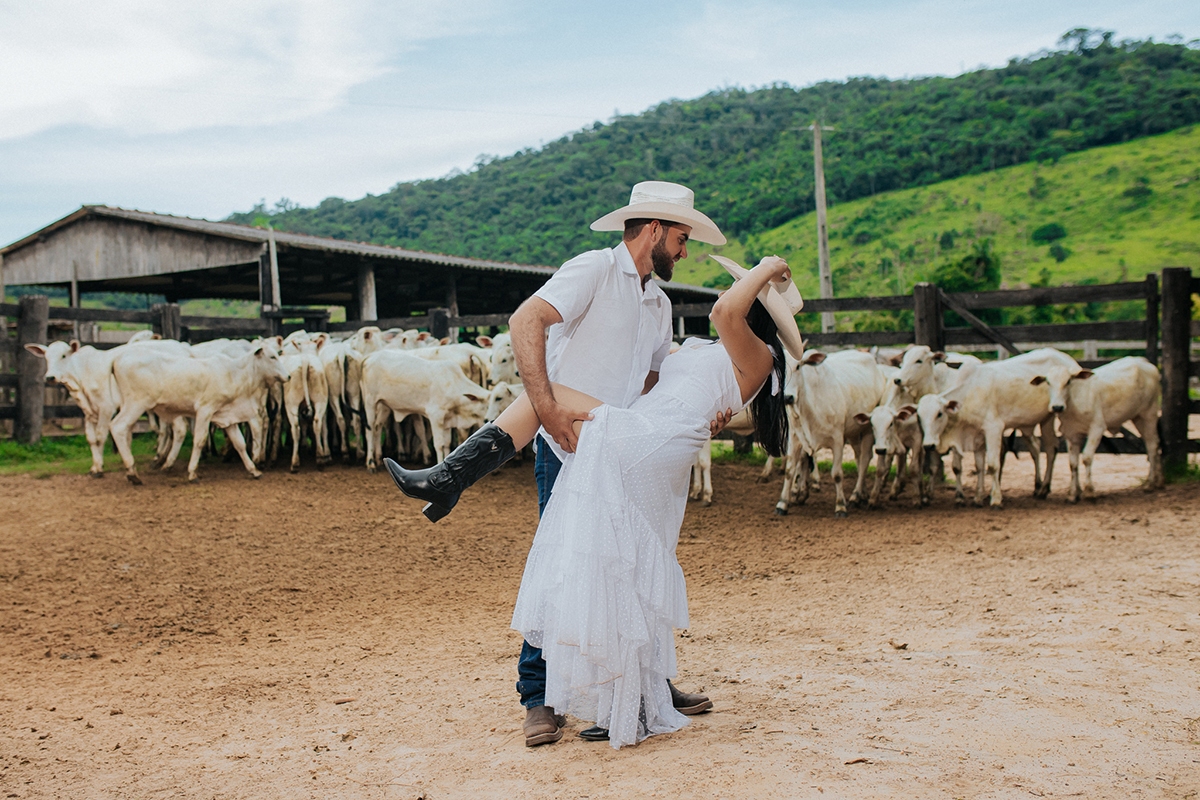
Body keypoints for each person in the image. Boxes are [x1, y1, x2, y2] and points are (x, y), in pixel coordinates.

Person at [385, 253, 805, 748]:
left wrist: (766, 266)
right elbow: (662, 380)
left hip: (655, 437)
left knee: (549, 398)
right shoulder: (718, 346)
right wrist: (714, 411)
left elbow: (721, 314)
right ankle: (629, 697)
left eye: (741, 291)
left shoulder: (756, 352)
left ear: (751, 303)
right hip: (651, 431)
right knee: (618, 562)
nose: (726, 294)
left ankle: (449, 478)